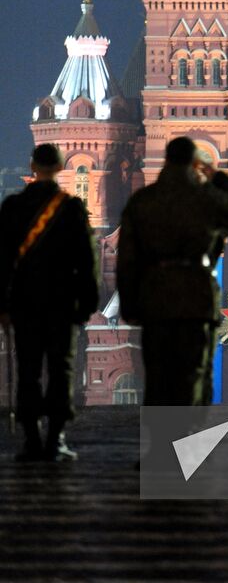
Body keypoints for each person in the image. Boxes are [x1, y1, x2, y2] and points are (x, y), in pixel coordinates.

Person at [117, 137, 228, 406]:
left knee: (158, 376)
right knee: (195, 375)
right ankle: (189, 442)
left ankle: (160, 444)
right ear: (195, 163)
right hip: (197, 298)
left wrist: (130, 306)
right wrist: (217, 178)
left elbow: (127, 259)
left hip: (155, 298)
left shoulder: (143, 201)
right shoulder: (206, 198)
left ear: (167, 160)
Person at [0, 144, 99, 461]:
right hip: (60, 302)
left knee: (27, 369)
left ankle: (31, 441)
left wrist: (3, 304)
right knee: (61, 370)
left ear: (32, 166)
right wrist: (87, 303)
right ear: (59, 167)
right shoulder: (70, 208)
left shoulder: (13, 206)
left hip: (24, 303)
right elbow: (85, 261)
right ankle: (55, 440)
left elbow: (1, 260)